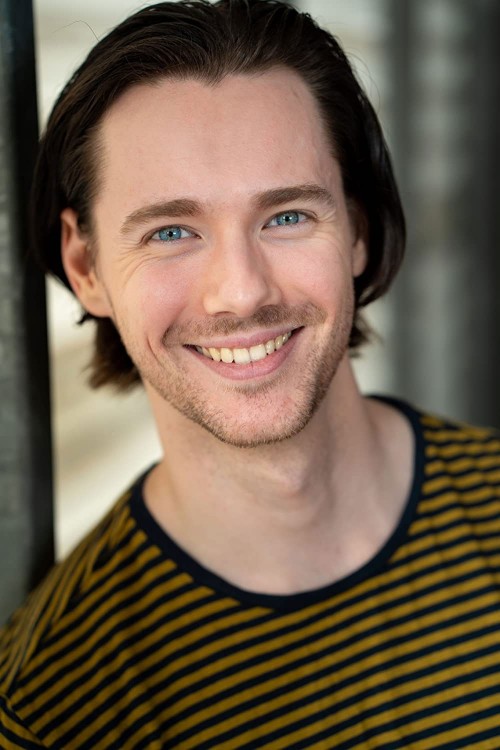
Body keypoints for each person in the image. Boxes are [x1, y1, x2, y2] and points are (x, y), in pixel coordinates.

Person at [1, 0, 499, 747]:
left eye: (287, 216)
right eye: (171, 231)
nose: (241, 292)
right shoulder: (53, 705)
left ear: (357, 231)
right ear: (86, 266)